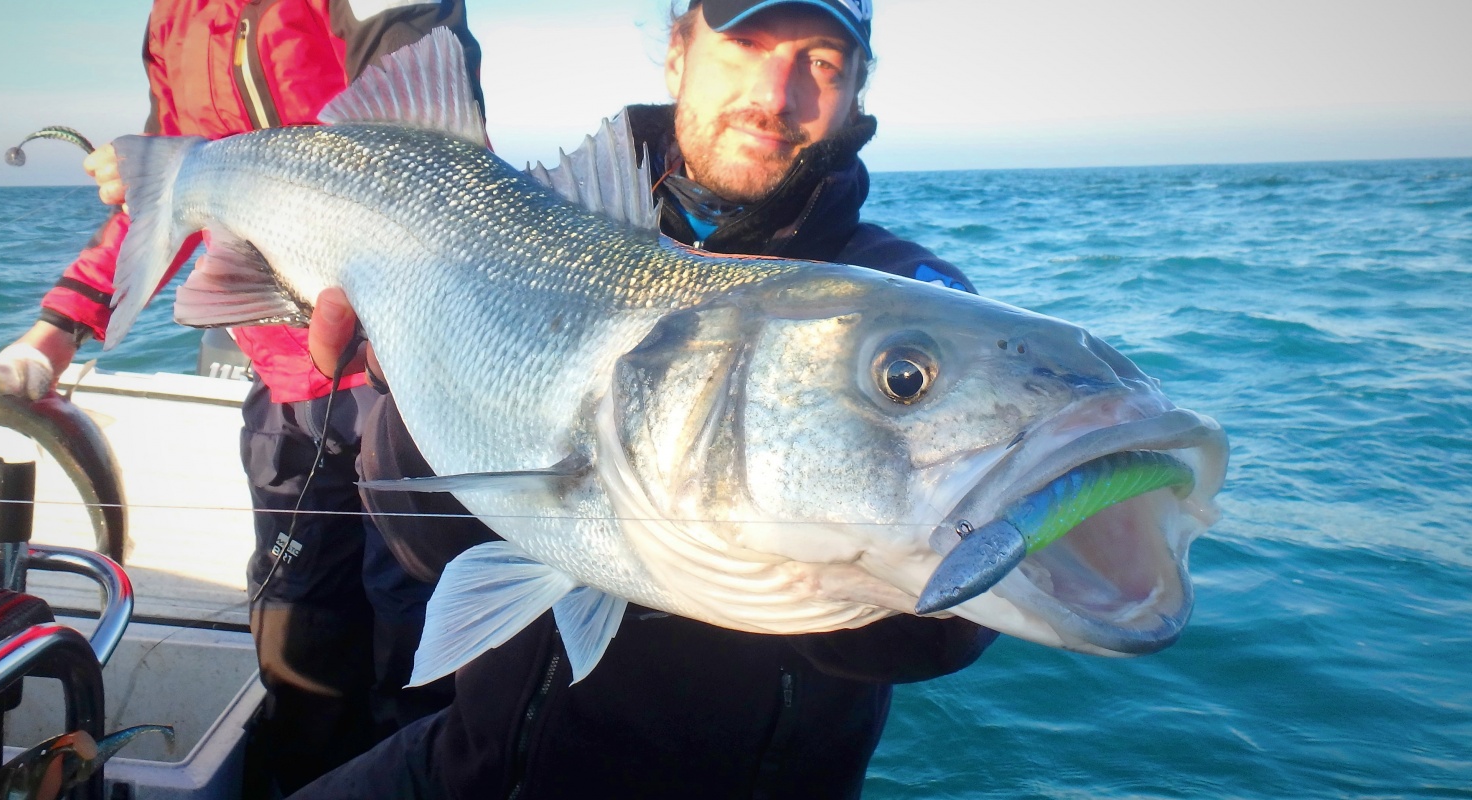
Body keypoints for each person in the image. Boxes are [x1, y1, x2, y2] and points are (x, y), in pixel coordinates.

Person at [294, 1, 994, 797]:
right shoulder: (519, 226)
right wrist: (405, 377)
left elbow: (936, 641)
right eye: (744, 46)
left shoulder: (906, 304)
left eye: (823, 63)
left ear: (859, 92)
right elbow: (426, 548)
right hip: (469, 765)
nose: (775, 90)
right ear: (677, 55)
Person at [0, 1, 483, 793]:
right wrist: (50, 337)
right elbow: (166, 195)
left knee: (420, 639)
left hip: (406, 378)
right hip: (281, 384)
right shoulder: (173, 23)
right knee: (298, 642)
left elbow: (424, 134)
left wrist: (199, 164)